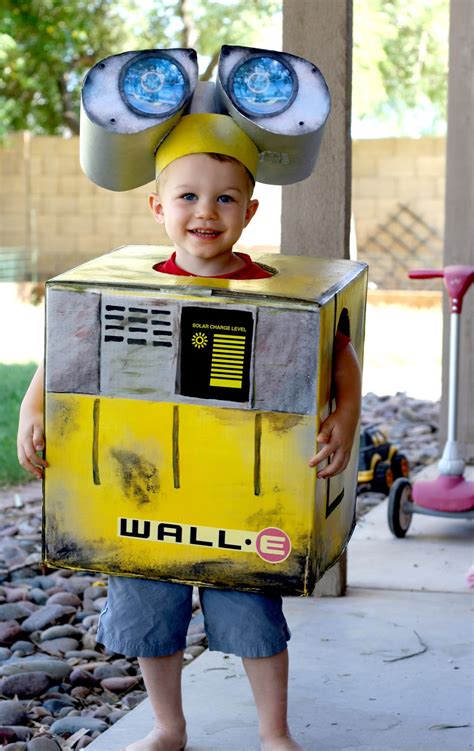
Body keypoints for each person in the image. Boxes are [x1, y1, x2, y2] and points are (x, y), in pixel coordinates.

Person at [17, 115, 361, 751]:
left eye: (225, 198)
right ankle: (168, 726)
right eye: (188, 196)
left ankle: (273, 732)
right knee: (150, 612)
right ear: (157, 207)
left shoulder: (270, 288)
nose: (207, 211)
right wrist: (33, 407)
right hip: (144, 494)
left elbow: (339, 347)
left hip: (242, 494)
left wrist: (343, 416)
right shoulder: (132, 285)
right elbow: (66, 343)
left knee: (254, 611)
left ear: (249, 212)